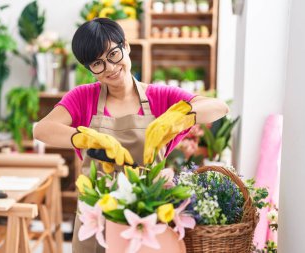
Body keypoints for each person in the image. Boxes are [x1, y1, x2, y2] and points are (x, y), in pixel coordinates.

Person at [33, 18, 229, 253]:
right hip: (97, 216)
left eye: (113, 54)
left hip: (146, 216)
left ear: (126, 46)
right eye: (97, 63)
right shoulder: (83, 97)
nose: (109, 68)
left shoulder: (160, 96)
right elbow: (42, 129)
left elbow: (219, 107)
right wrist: (84, 138)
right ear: (89, 69)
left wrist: (177, 116)